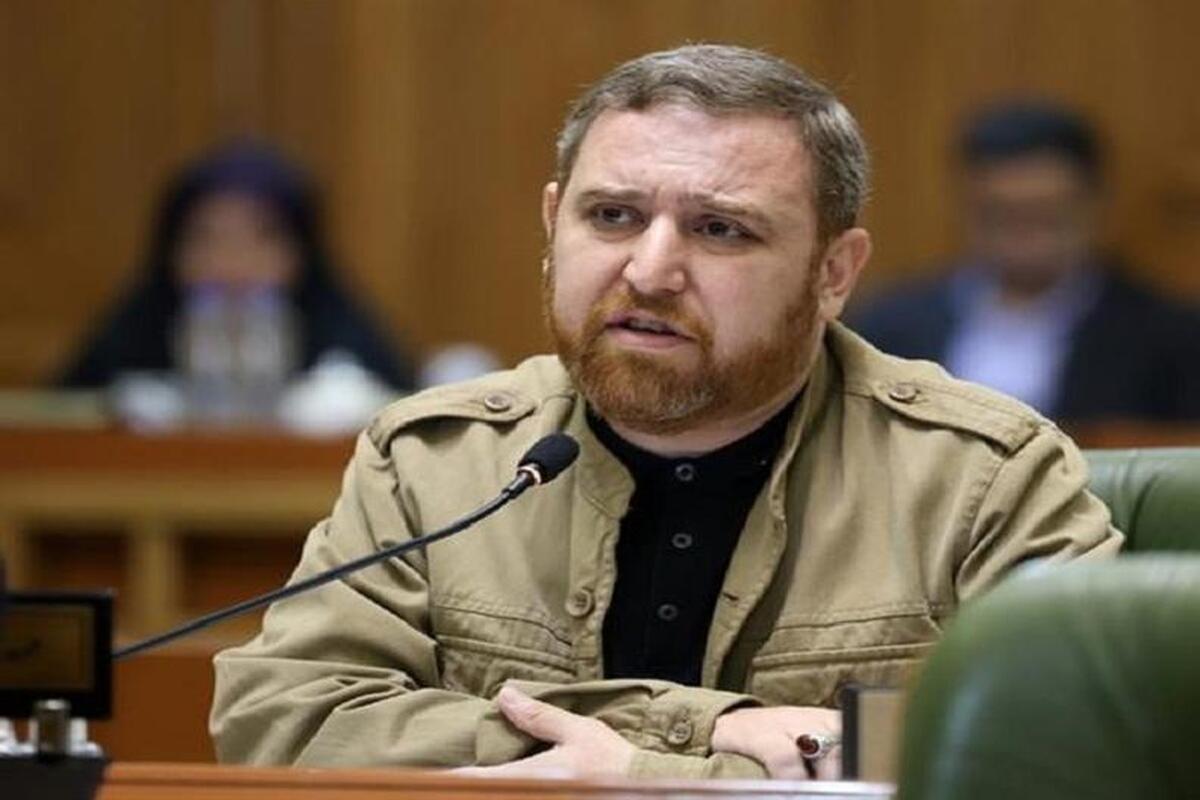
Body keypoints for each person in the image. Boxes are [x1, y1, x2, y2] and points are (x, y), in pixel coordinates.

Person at [210, 46, 1121, 780]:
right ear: (553, 223)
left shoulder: (984, 476)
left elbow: (1077, 755)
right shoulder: (436, 460)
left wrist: (630, 767)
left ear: (833, 272)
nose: (649, 271)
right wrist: (705, 733)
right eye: (612, 216)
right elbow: (282, 718)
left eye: (720, 229)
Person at [851, 103, 1200, 423]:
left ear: (1094, 205)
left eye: (1046, 217)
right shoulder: (889, 326)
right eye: (1001, 216)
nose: (1025, 239)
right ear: (966, 207)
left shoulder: (1171, 338)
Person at [57, 143, 416, 394]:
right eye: (207, 238)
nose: (232, 262)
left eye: (262, 238)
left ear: (301, 253)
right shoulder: (132, 340)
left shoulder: (347, 347)